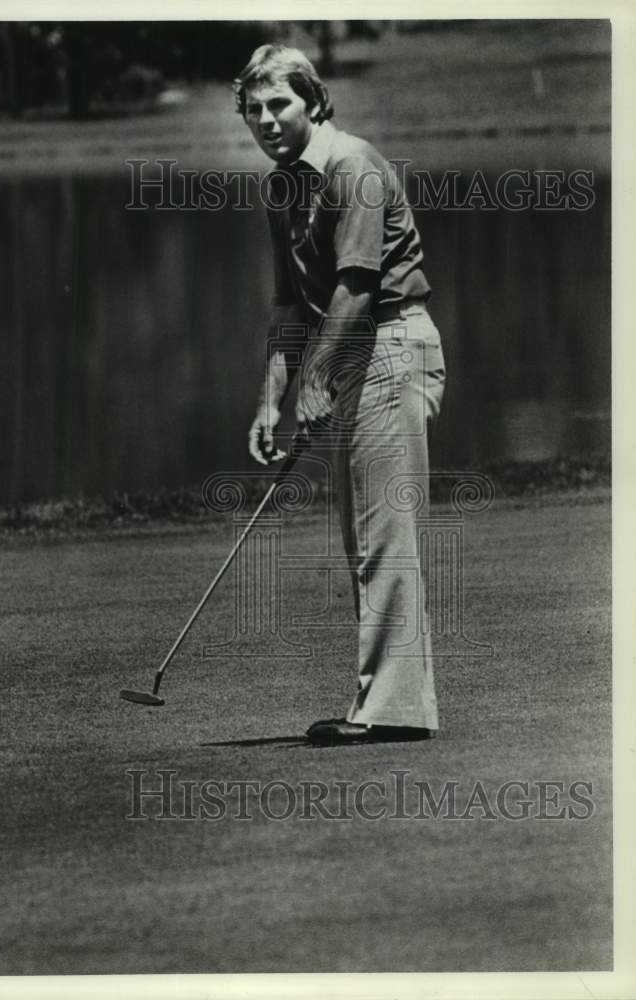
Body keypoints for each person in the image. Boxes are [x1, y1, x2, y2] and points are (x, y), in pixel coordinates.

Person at [234, 44, 447, 746]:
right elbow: (292, 306)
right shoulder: (282, 187)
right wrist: (272, 399)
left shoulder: (350, 166)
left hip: (390, 343)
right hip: (354, 346)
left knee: (384, 534)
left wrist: (317, 381)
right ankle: (392, 703)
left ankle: (388, 708)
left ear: (313, 102)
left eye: (279, 105)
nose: (266, 120)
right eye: (253, 109)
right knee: (364, 534)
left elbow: (356, 290)